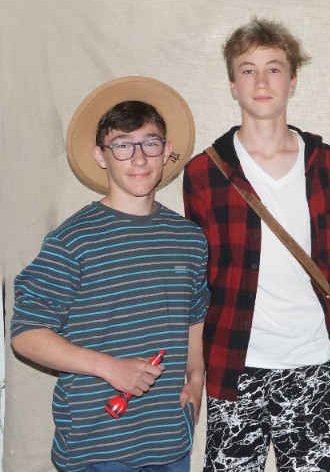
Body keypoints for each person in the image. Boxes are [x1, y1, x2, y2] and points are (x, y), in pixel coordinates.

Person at [182, 17, 330, 472]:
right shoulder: (204, 172)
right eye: (248, 70)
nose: (261, 81)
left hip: (313, 363)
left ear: (292, 81)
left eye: (274, 68)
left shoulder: (328, 164)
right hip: (234, 364)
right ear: (232, 85)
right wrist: (195, 368)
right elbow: (197, 280)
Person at [11, 77, 210, 472]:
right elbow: (26, 334)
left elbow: (195, 316)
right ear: (100, 156)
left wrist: (196, 379)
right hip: (97, 447)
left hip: (169, 443)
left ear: (166, 150)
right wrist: (109, 367)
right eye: (122, 145)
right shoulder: (73, 240)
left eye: (150, 143)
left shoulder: (189, 238)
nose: (139, 159)